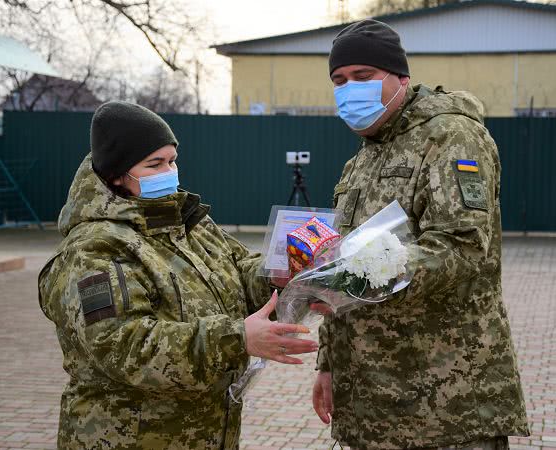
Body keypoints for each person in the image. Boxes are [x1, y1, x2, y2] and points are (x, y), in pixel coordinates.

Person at [38, 101, 316, 449]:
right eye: (155, 164)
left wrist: (279, 275)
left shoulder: (186, 222)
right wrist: (235, 338)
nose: (169, 171)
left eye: (172, 160)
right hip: (128, 438)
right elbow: (124, 346)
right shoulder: (93, 250)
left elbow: (238, 276)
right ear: (115, 175)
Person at [311, 19, 530, 449]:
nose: (349, 88)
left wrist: (361, 274)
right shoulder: (364, 157)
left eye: (363, 76)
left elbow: (462, 248)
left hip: (445, 399)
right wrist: (328, 363)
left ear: (401, 78)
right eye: (339, 80)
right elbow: (342, 260)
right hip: (372, 400)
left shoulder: (451, 136)